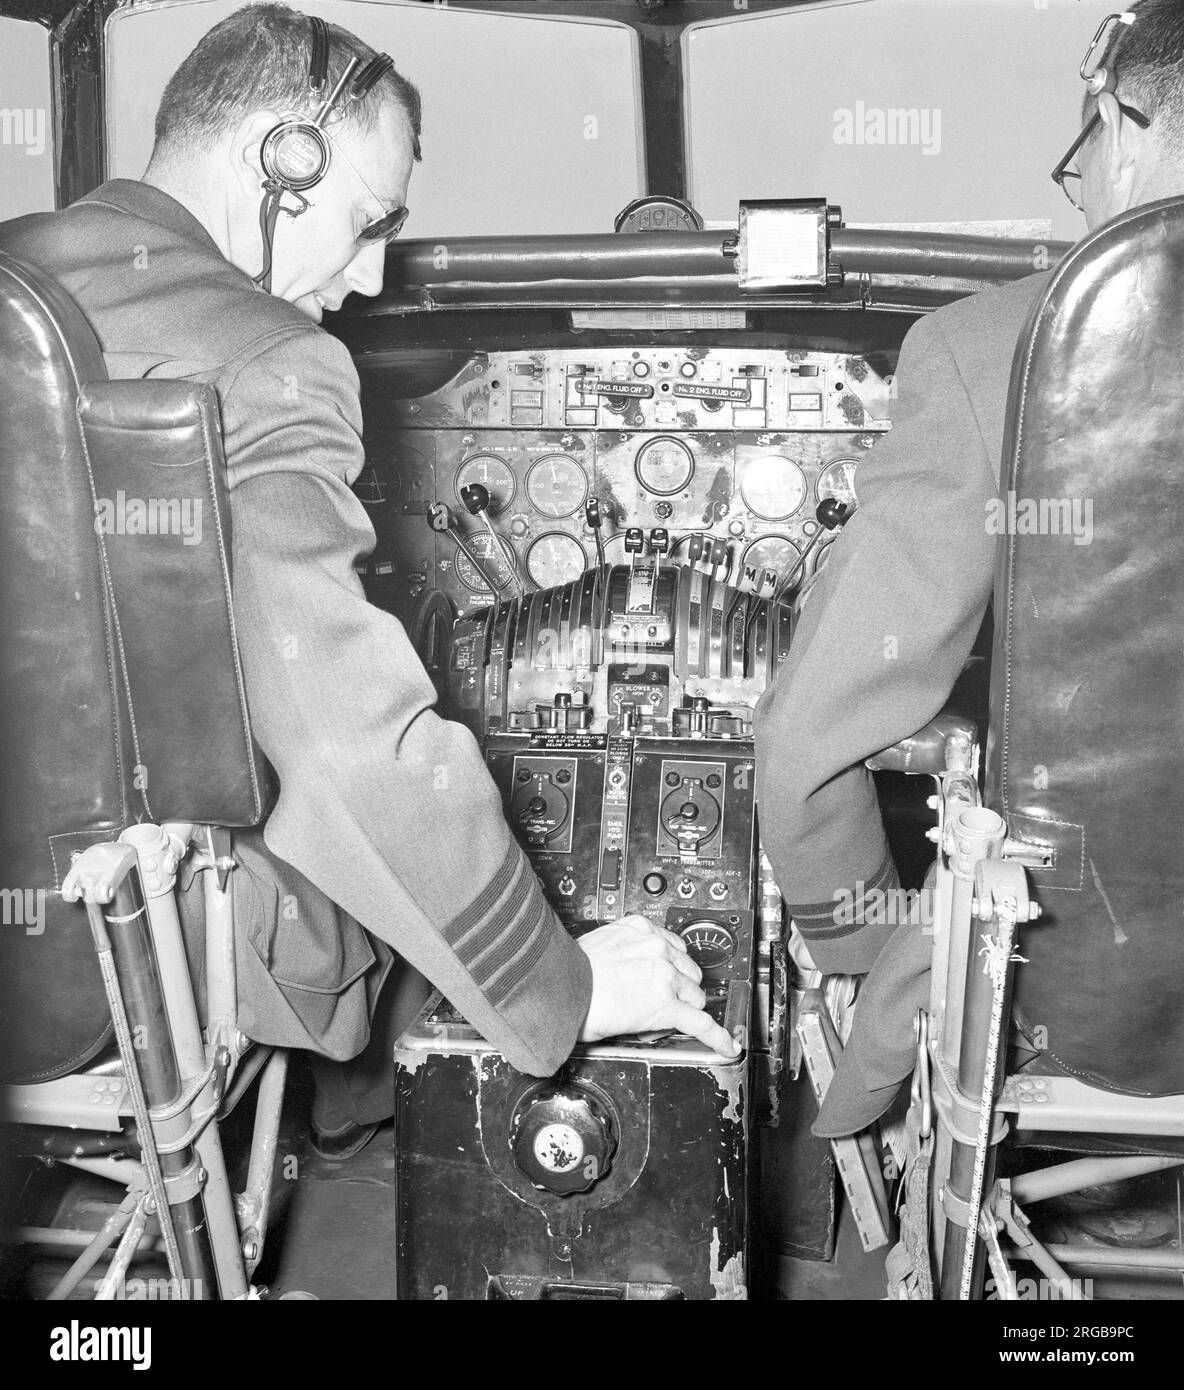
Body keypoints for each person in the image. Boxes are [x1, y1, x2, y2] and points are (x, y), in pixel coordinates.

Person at [0, 3, 737, 1154]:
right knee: (369, 885)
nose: (369, 275)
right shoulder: (269, 356)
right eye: (365, 219)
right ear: (281, 158)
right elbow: (345, 746)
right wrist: (560, 987)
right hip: (103, 950)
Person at [753, 0, 1181, 1137]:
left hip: (1068, 1006)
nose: (1080, 188)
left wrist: (862, 938)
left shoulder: (995, 352)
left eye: (1076, 160)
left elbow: (805, 739)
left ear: (1118, 122)